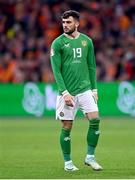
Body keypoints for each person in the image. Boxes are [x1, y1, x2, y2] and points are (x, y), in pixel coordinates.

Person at [50, 10, 103, 171]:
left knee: (95, 120)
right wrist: (64, 92)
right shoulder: (57, 43)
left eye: (69, 22)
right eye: (63, 22)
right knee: (67, 126)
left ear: (77, 23)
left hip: (85, 89)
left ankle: (90, 157)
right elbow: (56, 70)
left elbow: (91, 66)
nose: (65, 25)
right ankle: (68, 163)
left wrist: (94, 88)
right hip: (68, 92)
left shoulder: (87, 41)